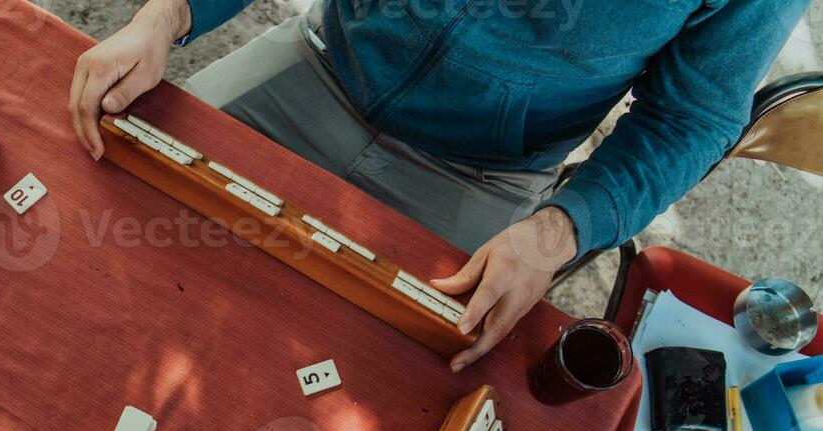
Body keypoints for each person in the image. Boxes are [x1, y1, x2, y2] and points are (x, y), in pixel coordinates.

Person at [68, 0, 809, 373]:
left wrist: (556, 234)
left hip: (480, 175)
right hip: (318, 65)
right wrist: (165, 15)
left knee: (358, 389)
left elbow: (692, 116)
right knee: (94, 241)